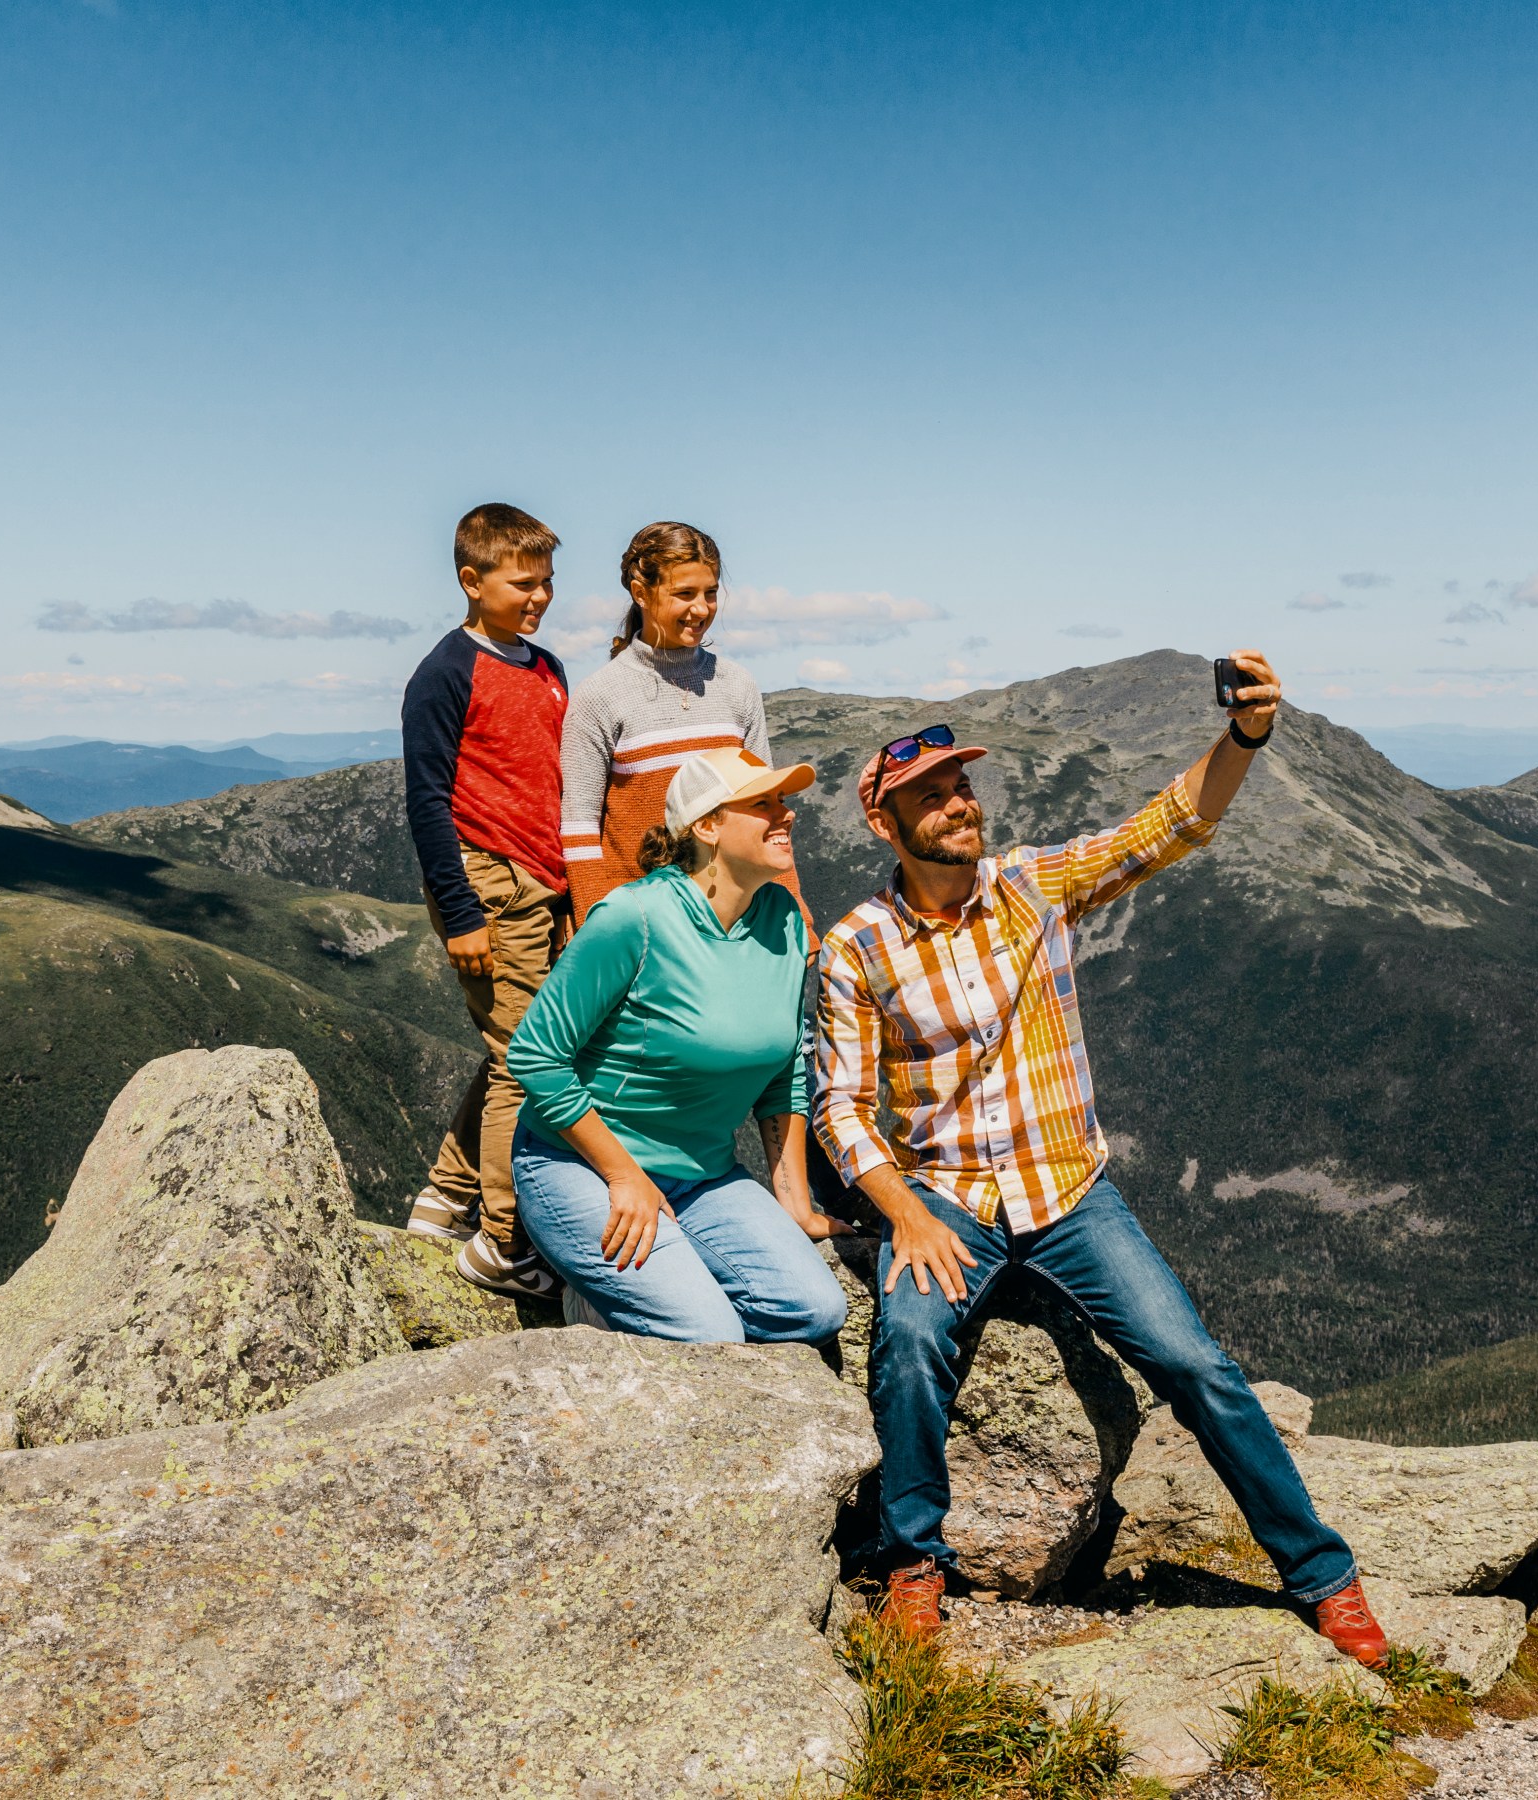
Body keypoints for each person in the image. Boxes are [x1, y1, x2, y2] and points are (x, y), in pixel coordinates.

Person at [811, 651, 1390, 1666]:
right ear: (884, 823)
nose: (957, 806)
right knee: (907, 1344)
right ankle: (914, 1567)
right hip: (946, 1199)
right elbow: (842, 1109)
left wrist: (1245, 734)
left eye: (960, 787)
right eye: (929, 797)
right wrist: (901, 1211)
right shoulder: (856, 948)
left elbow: (1170, 824)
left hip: (1069, 1189)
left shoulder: (1034, 886)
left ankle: (1324, 1578)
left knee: (1194, 1363)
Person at [507, 746, 850, 1341]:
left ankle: (657, 1286)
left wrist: (793, 1200)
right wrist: (623, 1176)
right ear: (708, 825)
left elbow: (787, 1066)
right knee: (709, 1335)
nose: (786, 813)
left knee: (816, 1310)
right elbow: (535, 1055)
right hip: (579, 1166)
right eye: (763, 803)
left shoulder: (786, 920)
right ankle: (592, 1303)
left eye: (784, 800)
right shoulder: (633, 918)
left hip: (702, 1175)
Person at [399, 502, 571, 1300]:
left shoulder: (546, 668)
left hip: (542, 882)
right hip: (488, 884)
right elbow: (427, 802)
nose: (538, 596)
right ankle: (503, 1241)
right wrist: (461, 913)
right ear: (472, 581)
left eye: (545, 582)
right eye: (521, 582)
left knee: (512, 1050)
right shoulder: (444, 673)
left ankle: (447, 1195)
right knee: (525, 1061)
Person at [557, 522, 789, 921]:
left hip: (736, 918)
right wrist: (599, 927)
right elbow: (579, 828)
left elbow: (766, 810)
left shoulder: (738, 686)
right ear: (640, 592)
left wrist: (793, 913)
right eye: (685, 594)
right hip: (643, 921)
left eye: (711, 593)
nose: (701, 609)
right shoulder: (599, 696)